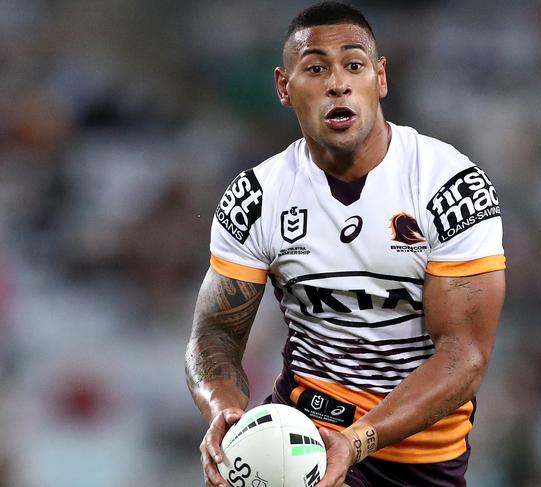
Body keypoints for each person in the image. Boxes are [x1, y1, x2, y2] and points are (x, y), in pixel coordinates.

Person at [185, 2, 506, 486]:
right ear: (283, 87)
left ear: (380, 78)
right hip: (301, 435)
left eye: (353, 65)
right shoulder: (257, 197)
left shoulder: (449, 186)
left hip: (418, 454)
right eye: (315, 69)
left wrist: (358, 440)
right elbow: (214, 337)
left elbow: (464, 356)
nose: (338, 83)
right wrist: (224, 411)